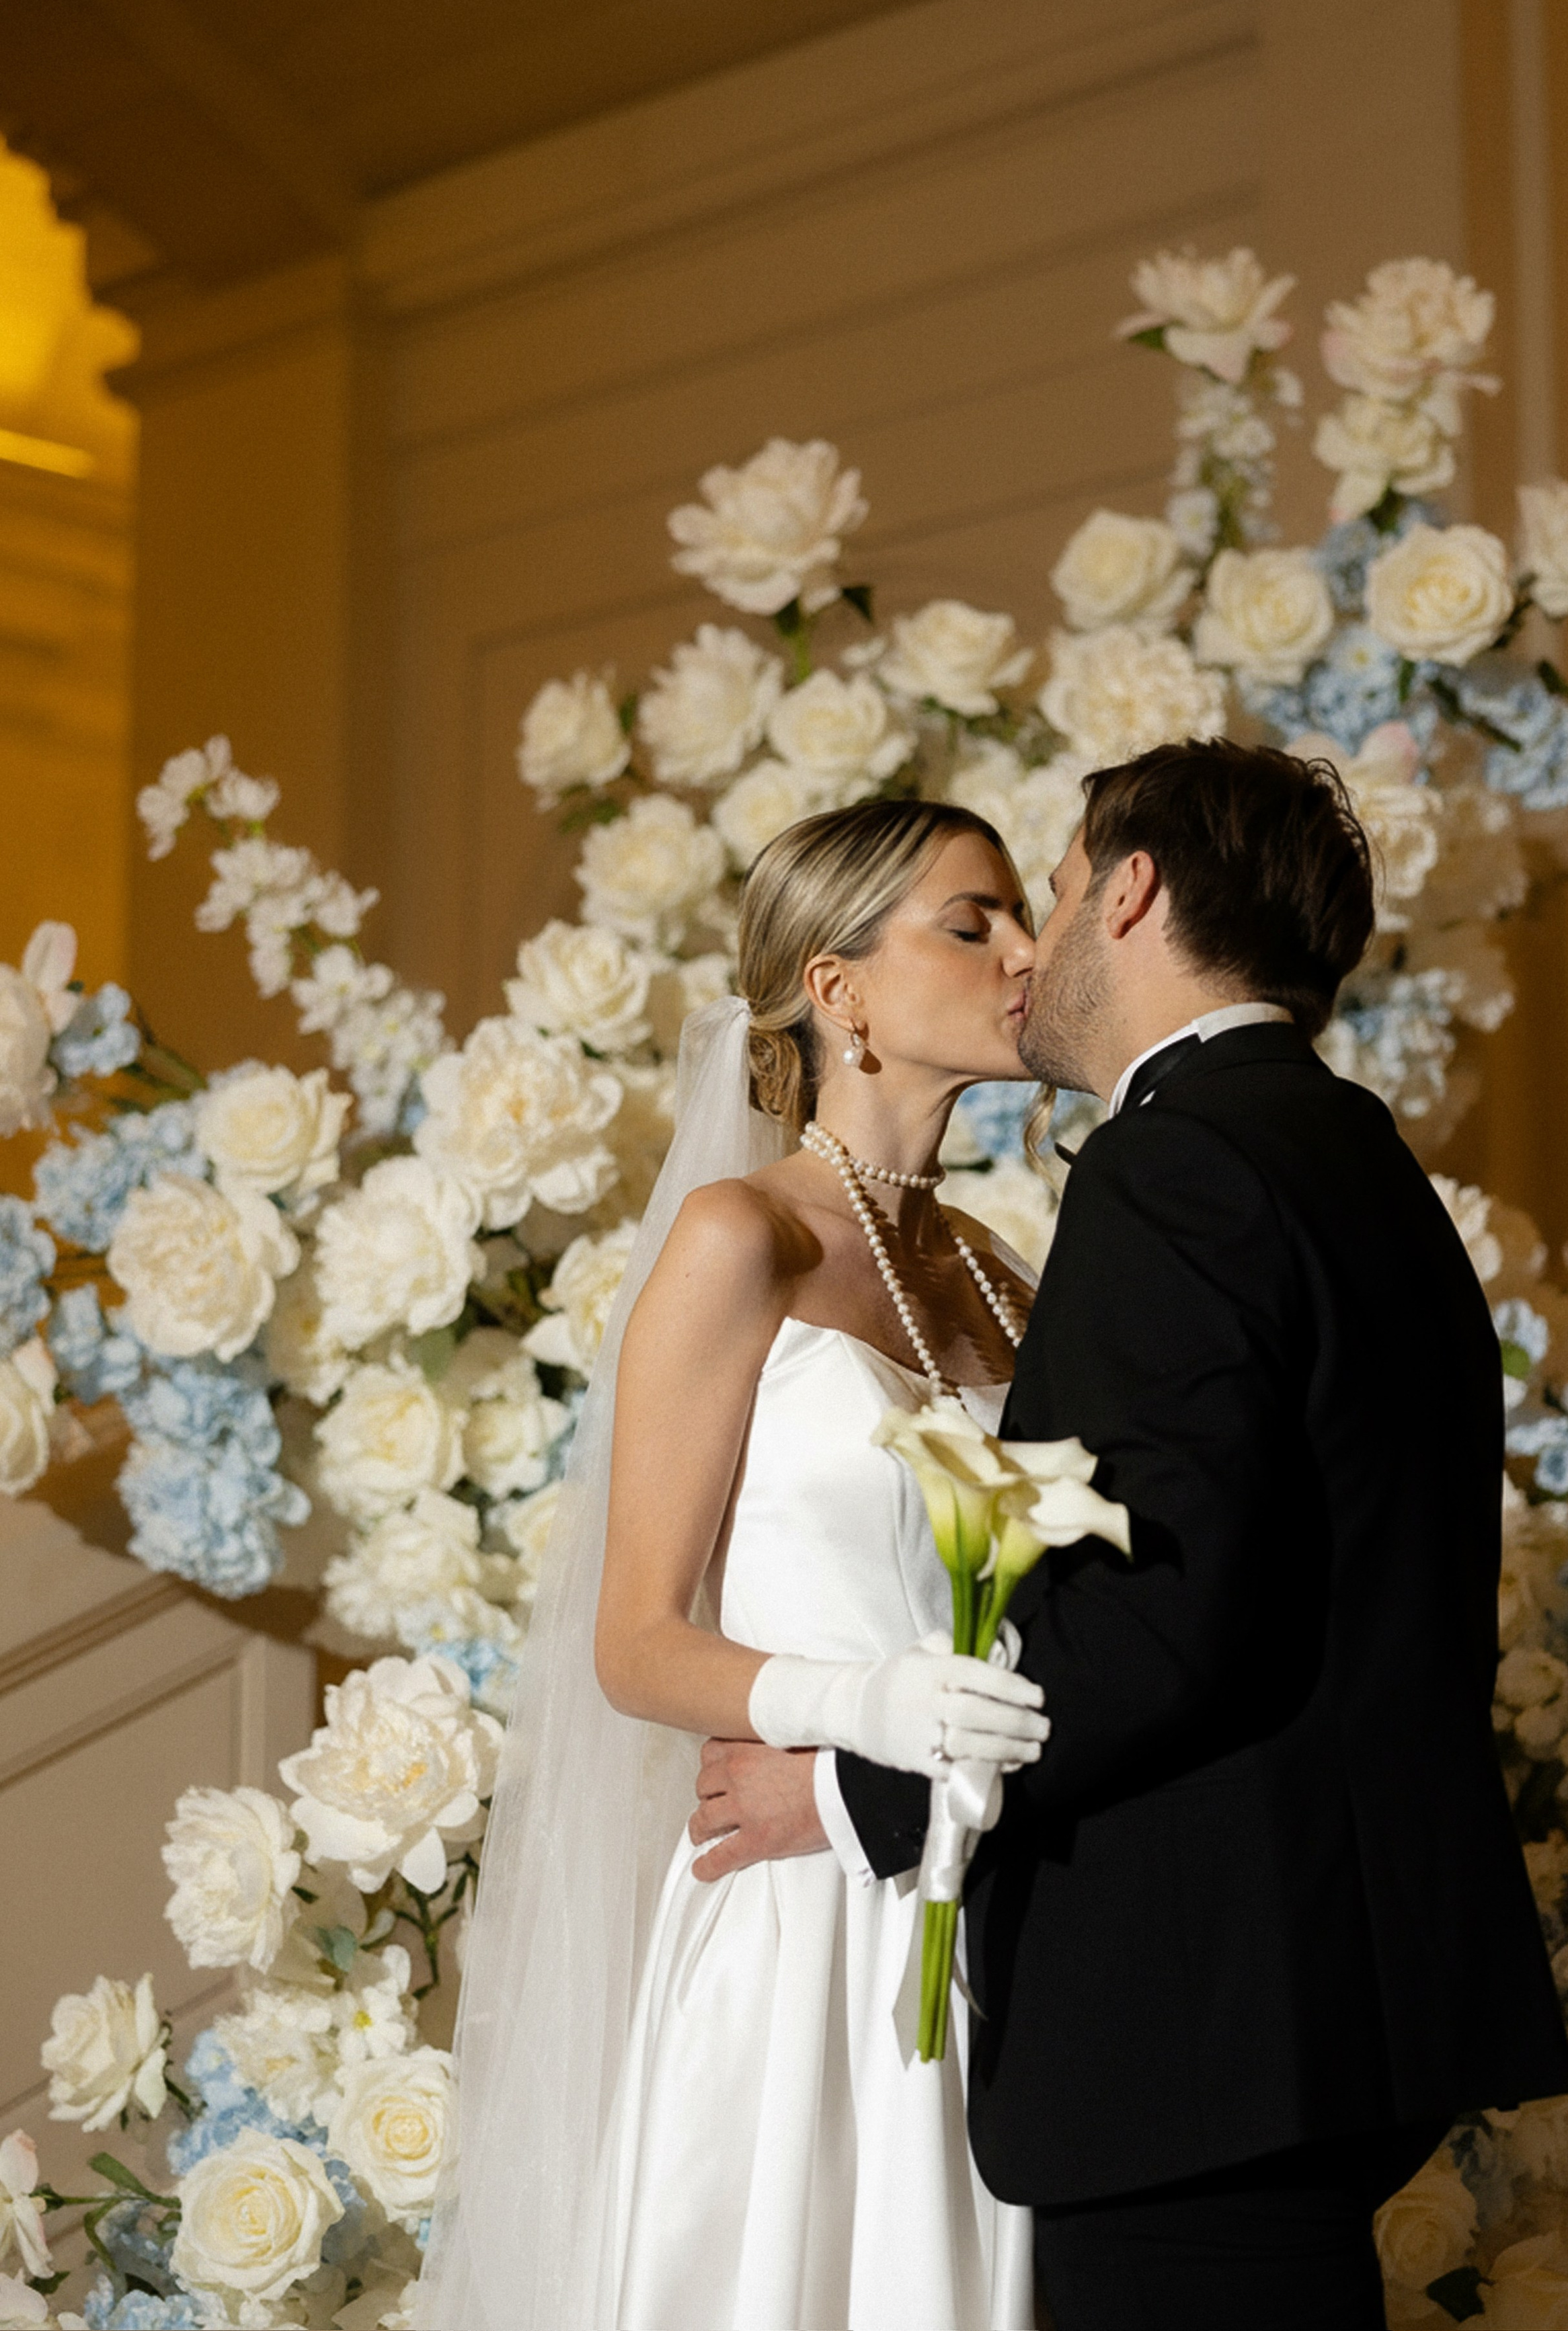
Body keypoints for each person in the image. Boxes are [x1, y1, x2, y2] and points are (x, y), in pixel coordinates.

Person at [693, 738, 1568, 2331]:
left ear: (1133, 887)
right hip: (1325, 1992)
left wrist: (846, 1785)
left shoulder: (1171, 1167)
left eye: (1043, 888)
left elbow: (1155, 1621)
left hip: (1203, 2010)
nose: (1030, 943)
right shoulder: (1350, 1155)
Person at [416, 799, 1054, 2331]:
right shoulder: (736, 1237)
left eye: (1021, 917)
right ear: (836, 992)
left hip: (991, 1902)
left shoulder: (1004, 1272)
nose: (1027, 954)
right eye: (971, 924)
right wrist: (871, 1703)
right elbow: (634, 1639)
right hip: (804, 1927)